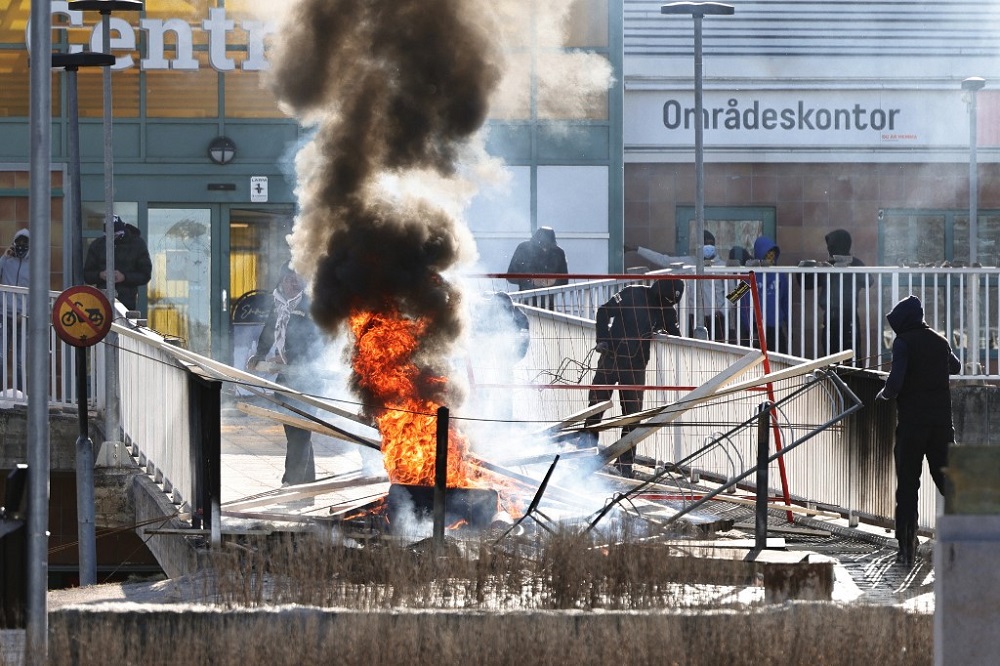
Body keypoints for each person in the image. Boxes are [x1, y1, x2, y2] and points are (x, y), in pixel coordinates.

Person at [876, 295, 961, 566]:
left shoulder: (903, 342)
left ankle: (907, 548)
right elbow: (955, 367)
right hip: (940, 427)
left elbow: (896, 382)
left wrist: (883, 395)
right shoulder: (940, 341)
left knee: (909, 487)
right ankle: (962, 544)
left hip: (912, 426)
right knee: (951, 486)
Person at [584, 277, 684, 478]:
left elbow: (675, 334)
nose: (664, 305)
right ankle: (585, 454)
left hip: (636, 364)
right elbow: (604, 311)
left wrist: (671, 333)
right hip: (610, 357)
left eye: (669, 303)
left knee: (633, 414)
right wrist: (602, 339)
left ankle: (625, 463)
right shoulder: (632, 293)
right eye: (664, 301)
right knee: (596, 404)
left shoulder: (667, 310)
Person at [248, 266, 322, 486]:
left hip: (308, 379)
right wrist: (260, 354)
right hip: (287, 379)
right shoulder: (278, 303)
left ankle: (291, 482)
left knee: (300, 432)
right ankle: (306, 486)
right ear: (281, 281)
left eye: (297, 278)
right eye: (290, 279)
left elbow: (315, 341)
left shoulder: (310, 305)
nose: (294, 283)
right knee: (295, 433)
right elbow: (269, 331)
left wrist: (288, 357)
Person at [800, 229, 869, 361]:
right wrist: (805, 267)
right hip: (831, 317)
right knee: (831, 356)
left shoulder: (854, 264)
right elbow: (807, 284)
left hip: (849, 317)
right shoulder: (829, 266)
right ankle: (834, 380)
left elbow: (869, 281)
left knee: (851, 357)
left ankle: (853, 381)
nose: (829, 251)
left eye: (831, 247)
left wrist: (849, 267)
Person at [83, 215, 153, 311]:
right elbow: (87, 275)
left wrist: (124, 277)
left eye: (116, 236)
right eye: (109, 237)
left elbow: (145, 275)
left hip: (127, 302)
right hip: (102, 302)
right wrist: (100, 275)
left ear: (122, 232)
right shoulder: (97, 246)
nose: (113, 239)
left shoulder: (136, 244)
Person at [746, 236, 790, 355]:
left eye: (772, 254)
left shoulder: (780, 276)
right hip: (755, 327)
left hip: (775, 326)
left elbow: (785, 302)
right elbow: (734, 297)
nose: (770, 257)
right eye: (767, 254)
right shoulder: (748, 276)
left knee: (779, 363)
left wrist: (789, 324)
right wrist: (747, 326)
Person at [0, 229, 29, 390]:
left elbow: (36, 292)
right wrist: (4, 257)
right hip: (3, 315)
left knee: (19, 360)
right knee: (1, 356)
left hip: (21, 317)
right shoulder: (7, 261)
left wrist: (25, 314)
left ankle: (19, 394)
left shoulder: (34, 264)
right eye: (19, 242)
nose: (21, 246)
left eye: (25, 243)